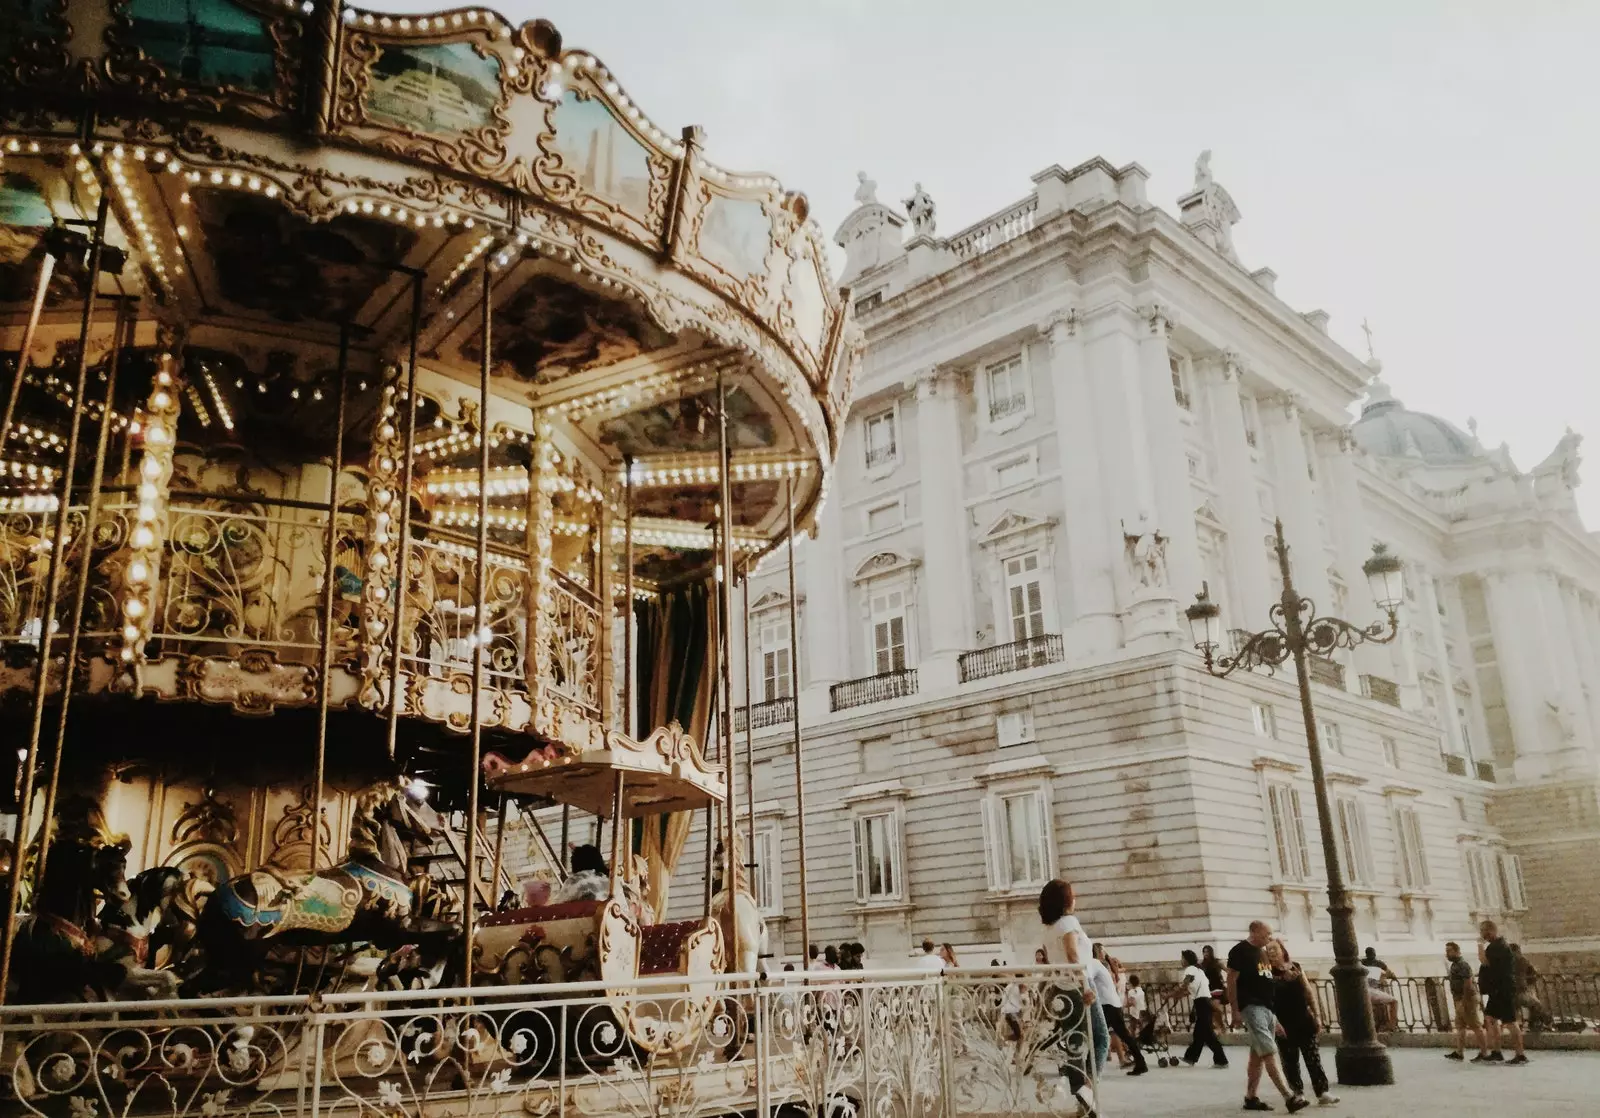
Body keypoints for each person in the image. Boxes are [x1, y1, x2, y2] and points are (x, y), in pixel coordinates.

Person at [1227, 921, 1309, 1112]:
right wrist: (1235, 1010)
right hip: (1252, 1007)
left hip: (1267, 1009)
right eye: (1266, 934)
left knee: (1257, 1055)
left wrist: (1275, 1017)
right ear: (1254, 932)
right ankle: (1289, 1097)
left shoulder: (1262, 952)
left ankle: (1251, 1097)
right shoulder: (1240, 951)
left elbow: (1266, 983)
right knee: (1269, 1052)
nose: (1269, 938)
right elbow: (1231, 980)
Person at [1039, 879, 1099, 1116]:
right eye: (1071, 896)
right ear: (1065, 902)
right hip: (1078, 986)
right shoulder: (1068, 922)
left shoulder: (1050, 927)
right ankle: (1086, 1090)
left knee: (1075, 1042)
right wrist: (1086, 986)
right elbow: (1074, 956)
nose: (1075, 900)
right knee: (1099, 1039)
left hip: (1062, 989)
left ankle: (1082, 1093)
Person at [1266, 938, 1337, 1107]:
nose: (1272, 952)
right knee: (1290, 1061)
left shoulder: (1296, 966)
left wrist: (1317, 1015)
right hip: (1283, 1021)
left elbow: (1308, 991)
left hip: (1303, 1018)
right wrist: (1274, 1022)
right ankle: (1297, 1093)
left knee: (1313, 1057)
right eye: (1268, 950)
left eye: (1274, 948)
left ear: (1282, 950)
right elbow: (1266, 999)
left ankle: (1323, 1092)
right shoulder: (1266, 972)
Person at [1479, 920, 1526, 1064]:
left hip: (1503, 989)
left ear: (1491, 931)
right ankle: (1496, 1051)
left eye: (1483, 931)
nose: (1482, 934)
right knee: (1490, 1019)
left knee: (1511, 1021)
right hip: (1496, 990)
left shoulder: (1498, 946)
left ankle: (1520, 1055)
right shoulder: (1496, 945)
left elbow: (1484, 961)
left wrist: (1479, 945)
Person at [1095, 952, 1147, 1075]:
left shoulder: (1097, 965)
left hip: (1107, 1005)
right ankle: (1139, 1062)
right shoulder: (1105, 967)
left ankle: (1088, 1067)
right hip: (1112, 1004)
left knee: (1097, 1035)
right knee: (1122, 1035)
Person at [1180, 948, 1228, 1068]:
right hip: (1205, 1001)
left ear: (1186, 960)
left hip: (1202, 1003)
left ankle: (1221, 1060)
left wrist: (1170, 994)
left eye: (1182, 959)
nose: (1181, 961)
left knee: (1207, 1034)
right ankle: (1191, 1057)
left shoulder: (1190, 969)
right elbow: (1191, 988)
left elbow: (1185, 985)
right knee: (1199, 1033)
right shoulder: (1199, 970)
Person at [1444, 941, 1487, 1062]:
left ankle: (1484, 1052)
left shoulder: (1462, 965)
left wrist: (1464, 1001)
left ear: (1457, 951)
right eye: (1446, 951)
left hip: (1467, 999)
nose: (1447, 954)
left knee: (1475, 1025)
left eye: (1449, 951)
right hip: (1460, 999)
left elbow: (1467, 984)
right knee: (1460, 1025)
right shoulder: (1455, 965)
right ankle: (1459, 1052)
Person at [1511, 944, 1549, 1031]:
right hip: (1520, 991)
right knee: (1537, 1005)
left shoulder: (1504, 961)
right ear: (1518, 950)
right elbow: (1533, 972)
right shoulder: (1522, 960)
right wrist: (1529, 981)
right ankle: (1537, 1024)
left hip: (1507, 993)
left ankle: (1519, 1025)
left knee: (1515, 1011)